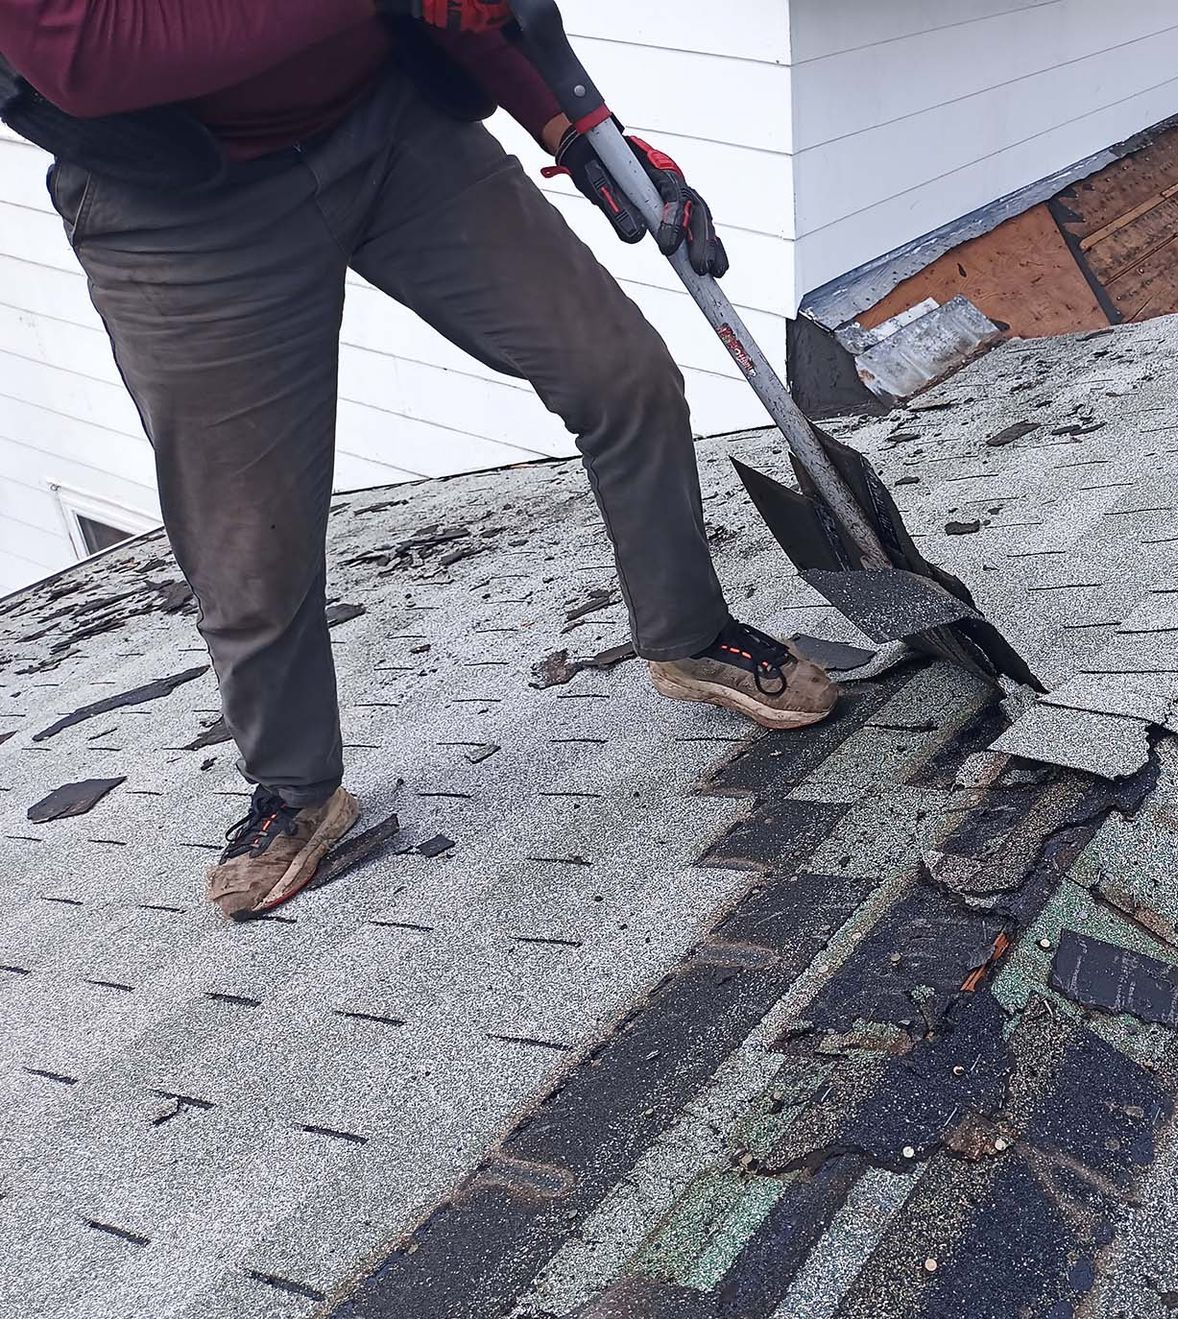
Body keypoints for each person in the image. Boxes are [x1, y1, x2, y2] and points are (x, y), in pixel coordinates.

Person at [0, 0, 839, 921]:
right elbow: (86, 56)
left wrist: (580, 129)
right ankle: (297, 789)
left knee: (620, 374)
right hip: (182, 207)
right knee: (249, 541)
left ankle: (688, 636)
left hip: (391, 124)